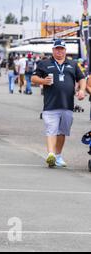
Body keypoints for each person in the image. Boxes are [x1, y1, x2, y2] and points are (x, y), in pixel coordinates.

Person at [31, 39, 86, 168]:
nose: (59, 51)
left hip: (67, 104)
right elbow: (33, 78)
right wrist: (43, 81)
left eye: (61, 49)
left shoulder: (73, 64)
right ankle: (50, 154)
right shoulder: (44, 63)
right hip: (50, 105)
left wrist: (82, 90)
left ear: (65, 50)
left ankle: (58, 155)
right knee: (51, 129)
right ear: (53, 50)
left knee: (62, 132)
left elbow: (82, 78)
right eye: (57, 49)